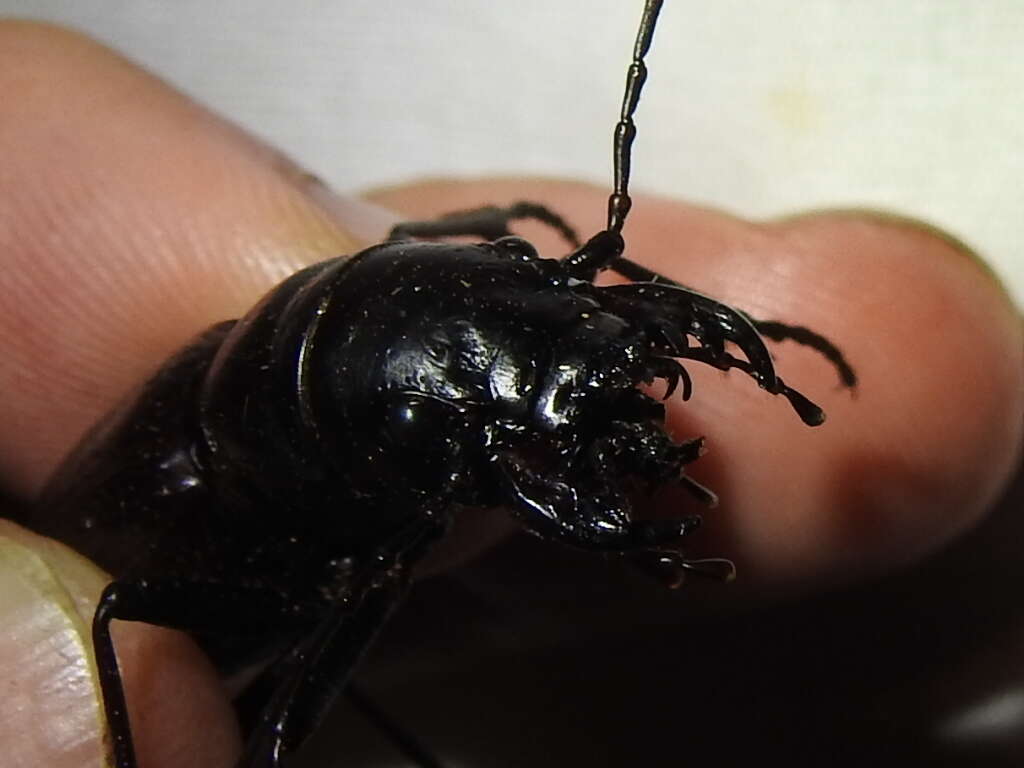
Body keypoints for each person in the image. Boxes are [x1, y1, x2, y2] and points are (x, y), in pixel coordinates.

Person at [0, 20, 1020, 768]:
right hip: (187, 571)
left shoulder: (325, 349)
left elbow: (421, 264)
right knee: (183, 665)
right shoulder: (287, 458)